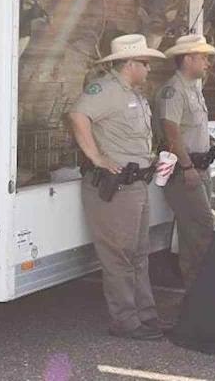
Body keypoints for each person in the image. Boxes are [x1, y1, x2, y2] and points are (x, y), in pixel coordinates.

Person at [69, 34, 167, 341]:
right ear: (129, 63)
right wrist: (96, 157)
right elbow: (77, 115)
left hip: (135, 185)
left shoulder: (134, 94)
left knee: (139, 253)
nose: (149, 69)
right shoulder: (106, 90)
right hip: (117, 188)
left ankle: (145, 315)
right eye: (145, 63)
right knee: (120, 256)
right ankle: (126, 321)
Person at [154, 35, 215, 289]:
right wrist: (186, 166)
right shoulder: (173, 90)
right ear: (188, 59)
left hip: (199, 166)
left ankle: (194, 291)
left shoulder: (193, 88)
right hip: (186, 170)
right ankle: (204, 288)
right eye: (203, 57)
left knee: (191, 230)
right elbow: (170, 131)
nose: (207, 62)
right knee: (203, 226)